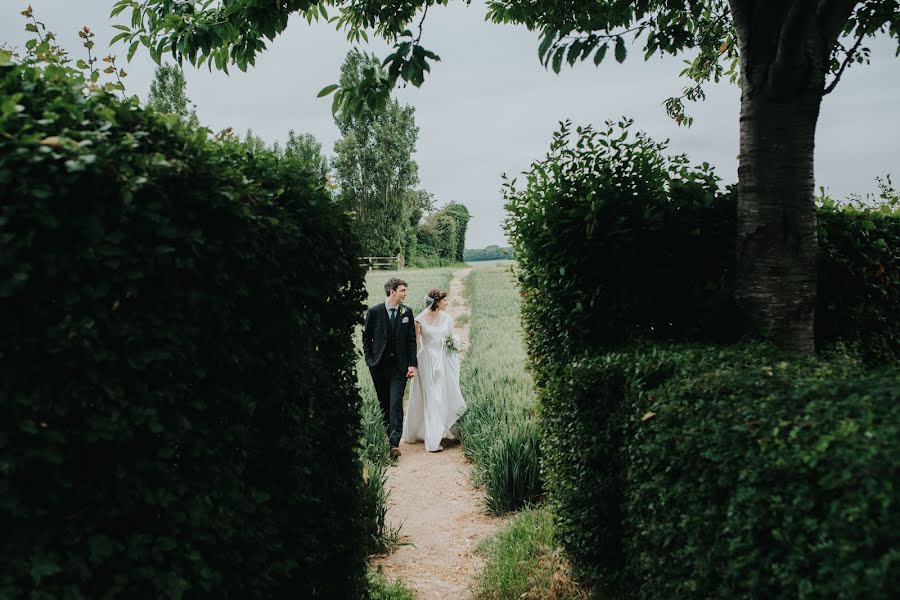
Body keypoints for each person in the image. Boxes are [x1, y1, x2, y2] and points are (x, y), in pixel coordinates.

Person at [402, 288, 467, 452]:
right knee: (432, 397)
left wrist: (454, 345)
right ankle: (433, 440)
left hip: (444, 360)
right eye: (444, 300)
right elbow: (415, 343)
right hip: (428, 361)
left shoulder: (447, 318)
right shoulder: (419, 319)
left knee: (444, 394)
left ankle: (447, 430)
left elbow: (449, 338)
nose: (447, 303)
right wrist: (412, 364)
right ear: (436, 302)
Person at [362, 277, 418, 460]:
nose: (405, 294)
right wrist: (370, 360)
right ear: (392, 291)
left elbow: (411, 340)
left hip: (399, 368)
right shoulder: (375, 311)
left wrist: (412, 365)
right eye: (402, 290)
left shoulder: (407, 312)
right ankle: (388, 434)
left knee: (395, 403)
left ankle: (394, 443)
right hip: (378, 366)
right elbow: (366, 338)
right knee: (384, 403)